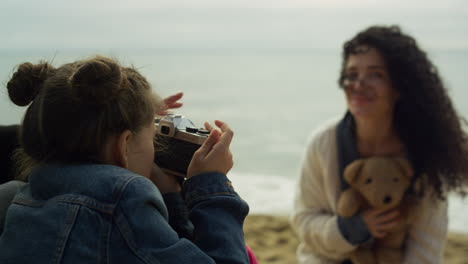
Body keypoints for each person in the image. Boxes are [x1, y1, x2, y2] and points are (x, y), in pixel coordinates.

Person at [0, 56, 251, 263]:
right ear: (124, 144)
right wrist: (211, 185)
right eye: (152, 135)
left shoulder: (21, 199)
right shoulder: (122, 200)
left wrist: (170, 196)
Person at [290, 25, 468, 264]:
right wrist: (354, 228)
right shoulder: (323, 143)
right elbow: (304, 221)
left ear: (400, 87)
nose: (359, 84)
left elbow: (426, 246)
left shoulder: (426, 149)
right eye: (352, 74)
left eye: (376, 74)